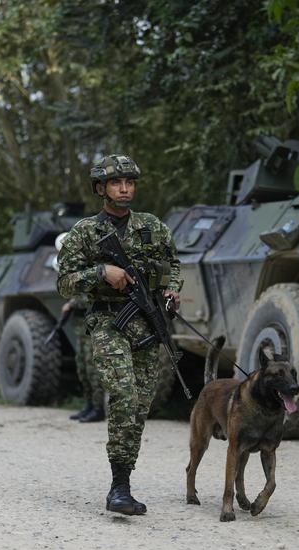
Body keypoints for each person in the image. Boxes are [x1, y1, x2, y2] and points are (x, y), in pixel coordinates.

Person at [57, 154, 182, 515]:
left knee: (140, 405)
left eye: (129, 183)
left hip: (147, 325)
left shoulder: (152, 227)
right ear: (101, 189)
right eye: (116, 183)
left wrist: (173, 290)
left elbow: (174, 264)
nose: (125, 189)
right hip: (108, 324)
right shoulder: (84, 232)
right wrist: (101, 273)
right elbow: (64, 283)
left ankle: (124, 481)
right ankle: (118, 489)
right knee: (125, 394)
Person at [64, 297, 106, 423]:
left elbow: (90, 297)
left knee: (92, 370)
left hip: (93, 329)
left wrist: (72, 303)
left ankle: (98, 409)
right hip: (81, 330)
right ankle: (90, 405)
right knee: (82, 369)